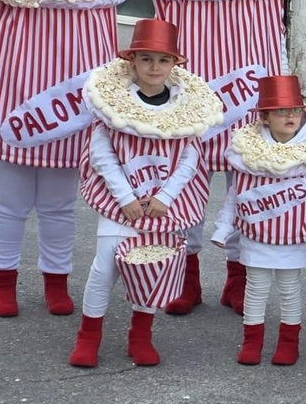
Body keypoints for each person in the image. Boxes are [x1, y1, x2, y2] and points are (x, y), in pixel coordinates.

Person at [0, 0, 129, 318]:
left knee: (58, 208)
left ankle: (56, 281)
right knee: (9, 206)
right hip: (8, 116)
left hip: (65, 120)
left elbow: (99, 58)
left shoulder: (85, 1)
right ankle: (3, 283)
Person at [144, 0, 303, 315]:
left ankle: (238, 279)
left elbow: (277, 48)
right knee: (184, 194)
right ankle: (186, 279)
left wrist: (284, 103)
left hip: (248, 110)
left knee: (247, 196)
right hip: (193, 110)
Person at [70, 19, 223, 368]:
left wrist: (165, 197)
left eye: (164, 60)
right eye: (147, 59)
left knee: (150, 267)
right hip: (119, 204)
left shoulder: (186, 107)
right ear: (132, 61)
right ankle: (88, 337)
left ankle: (140, 336)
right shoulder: (112, 103)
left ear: (175, 64)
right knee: (104, 267)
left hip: (162, 206)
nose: (155, 67)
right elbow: (102, 154)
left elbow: (190, 159)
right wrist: (124, 197)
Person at [212, 74, 306, 366]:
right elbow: (235, 196)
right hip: (256, 236)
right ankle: (252, 342)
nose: (290, 116)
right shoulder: (248, 155)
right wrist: (222, 230)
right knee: (255, 289)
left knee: (289, 290)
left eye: (295, 110)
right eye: (281, 111)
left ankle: (289, 343)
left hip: (294, 238)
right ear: (264, 117)